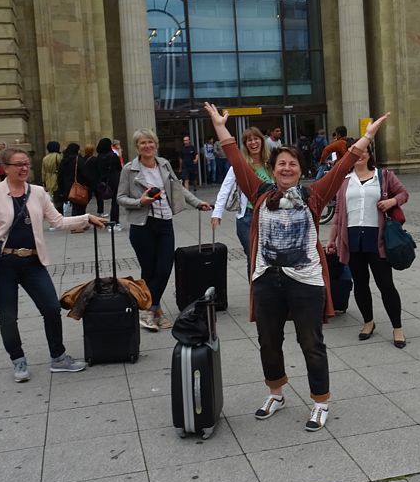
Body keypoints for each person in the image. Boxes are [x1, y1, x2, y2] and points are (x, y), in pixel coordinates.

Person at [204, 101, 390, 432]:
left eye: (292, 164)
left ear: (300, 171)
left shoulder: (313, 195)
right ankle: (276, 393)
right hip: (266, 279)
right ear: (272, 170)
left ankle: (320, 401)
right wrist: (220, 127)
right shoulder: (259, 192)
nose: (286, 168)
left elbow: (342, 165)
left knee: (311, 342)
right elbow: (235, 158)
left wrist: (367, 136)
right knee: (268, 340)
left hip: (305, 281)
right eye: (281, 164)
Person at [0, 147, 107, 382]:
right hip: (3, 262)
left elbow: (57, 221)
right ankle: (18, 360)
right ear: (5, 168)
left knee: (50, 308)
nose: (24, 168)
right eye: (18, 164)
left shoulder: (38, 192)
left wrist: (86, 218)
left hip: (33, 262)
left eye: (26, 163)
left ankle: (58, 357)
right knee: (8, 315)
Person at [116, 129, 211, 332]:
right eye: (142, 143)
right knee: (149, 271)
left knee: (164, 267)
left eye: (150, 142)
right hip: (143, 225)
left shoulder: (164, 164)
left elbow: (178, 188)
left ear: (156, 144)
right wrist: (140, 202)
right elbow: (120, 197)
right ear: (137, 147)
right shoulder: (129, 169)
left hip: (165, 222)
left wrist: (197, 203)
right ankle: (154, 311)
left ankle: (149, 309)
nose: (147, 146)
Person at [326, 147, 409, 348]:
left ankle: (397, 328)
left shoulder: (383, 176)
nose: (360, 155)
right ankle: (368, 322)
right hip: (353, 239)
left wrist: (391, 201)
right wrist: (331, 240)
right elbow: (338, 213)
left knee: (385, 284)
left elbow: (403, 194)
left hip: (377, 238)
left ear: (370, 154)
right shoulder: (345, 181)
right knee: (360, 284)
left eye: (364, 151)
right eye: (356, 152)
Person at [211, 127, 273, 259]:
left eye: (256, 139)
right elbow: (225, 188)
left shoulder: (271, 164)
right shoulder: (240, 165)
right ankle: (253, 280)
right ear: (245, 145)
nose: (253, 142)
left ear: (262, 141)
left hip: (270, 217)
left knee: (269, 259)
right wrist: (217, 213)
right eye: (249, 140)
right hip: (247, 219)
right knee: (253, 258)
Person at [89, 137, 122, 228]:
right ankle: (115, 221)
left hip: (103, 181)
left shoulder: (98, 157)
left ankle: (111, 220)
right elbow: (119, 168)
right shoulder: (113, 155)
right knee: (115, 201)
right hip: (114, 180)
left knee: (106, 199)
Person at [57, 142, 89, 219]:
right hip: (77, 185)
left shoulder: (64, 160)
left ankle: (78, 223)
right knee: (79, 206)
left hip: (67, 186)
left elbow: (60, 176)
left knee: (75, 205)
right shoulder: (78, 160)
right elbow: (84, 173)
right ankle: (78, 224)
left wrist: (61, 189)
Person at [41, 141, 63, 212]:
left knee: (51, 197)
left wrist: (44, 182)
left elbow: (43, 172)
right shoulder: (58, 156)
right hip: (56, 178)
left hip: (48, 179)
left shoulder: (45, 158)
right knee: (58, 198)